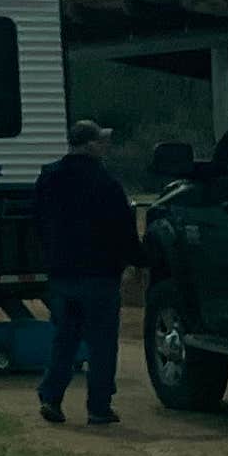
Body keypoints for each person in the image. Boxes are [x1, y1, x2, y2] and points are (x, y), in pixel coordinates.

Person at [28, 118, 139, 425]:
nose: (106, 145)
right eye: (102, 141)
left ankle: (51, 397)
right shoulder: (106, 182)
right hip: (100, 275)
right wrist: (137, 259)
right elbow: (123, 228)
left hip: (62, 274)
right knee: (102, 344)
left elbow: (36, 220)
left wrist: (50, 254)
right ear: (90, 145)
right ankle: (98, 407)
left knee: (65, 338)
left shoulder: (48, 178)